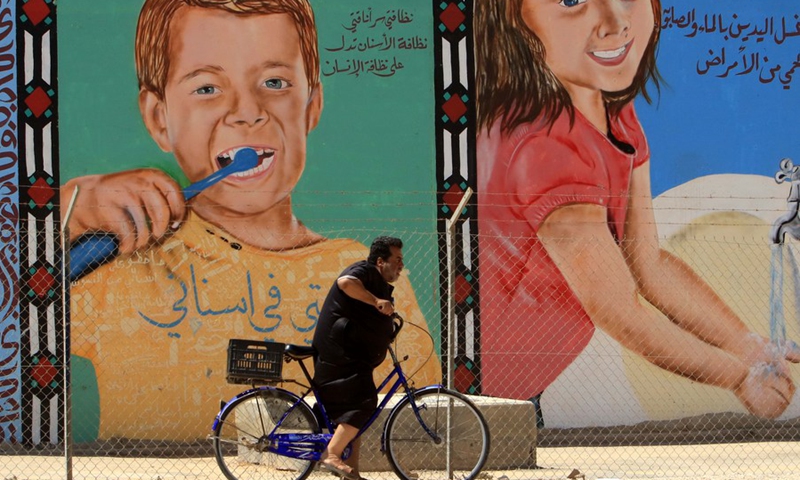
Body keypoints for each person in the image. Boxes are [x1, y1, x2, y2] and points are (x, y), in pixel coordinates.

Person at [62, 0, 441, 442]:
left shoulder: (363, 268)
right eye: (206, 88)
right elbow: (20, 315)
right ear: (158, 117)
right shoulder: (124, 267)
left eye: (275, 82)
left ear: (312, 106)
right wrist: (63, 213)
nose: (247, 111)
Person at [474, 0, 799, 420]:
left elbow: (648, 265)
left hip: (525, 385)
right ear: (514, 22)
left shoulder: (614, 114)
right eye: (572, 1)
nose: (616, 22)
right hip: (494, 392)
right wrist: (736, 376)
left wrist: (750, 348)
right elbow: (619, 310)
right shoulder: (545, 148)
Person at [312, 236, 405, 479]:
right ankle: (331, 454)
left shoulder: (377, 282)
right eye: (396, 260)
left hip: (351, 358)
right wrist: (376, 302)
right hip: (339, 357)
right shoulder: (363, 270)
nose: (400, 265)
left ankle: (351, 473)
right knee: (364, 402)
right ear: (380, 261)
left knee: (355, 414)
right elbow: (345, 282)